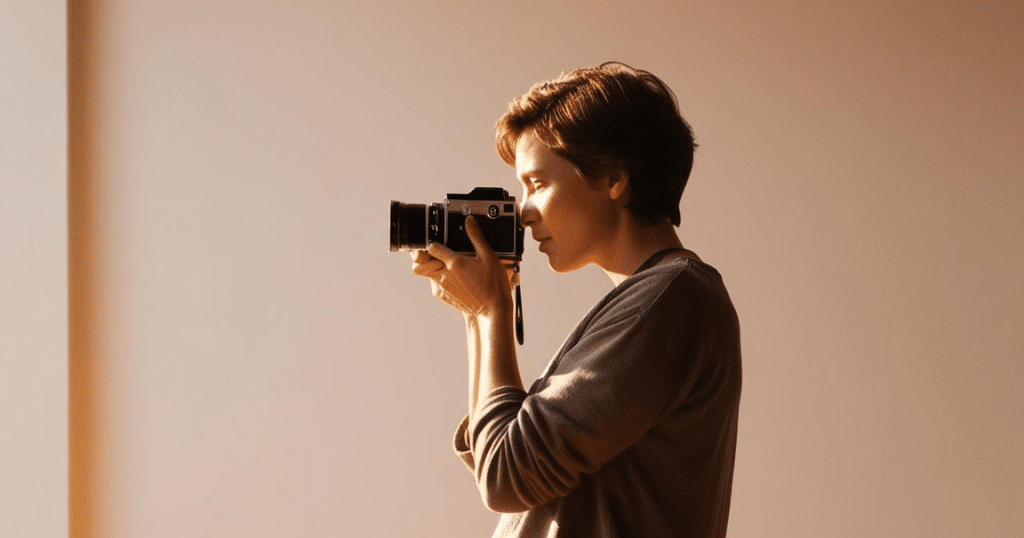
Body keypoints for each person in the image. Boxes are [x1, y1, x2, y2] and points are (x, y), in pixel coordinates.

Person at [409, 62, 742, 538]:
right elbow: (504, 462)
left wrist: (491, 310)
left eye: (537, 184)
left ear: (612, 177)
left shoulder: (670, 299)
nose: (523, 211)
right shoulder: (655, 302)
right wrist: (478, 311)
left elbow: (506, 475)